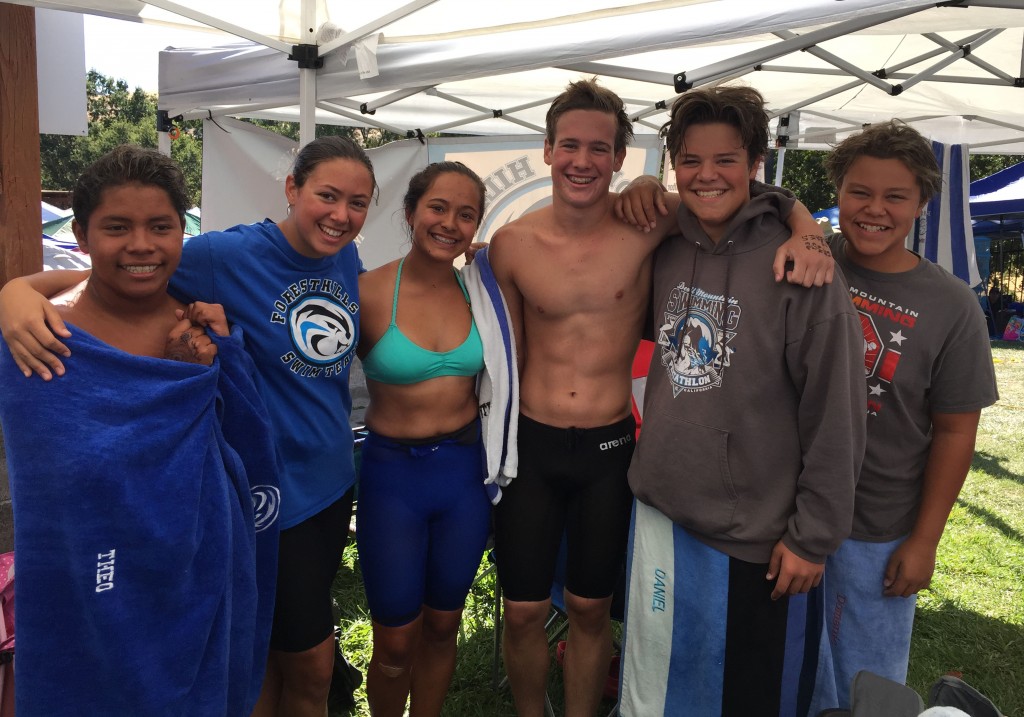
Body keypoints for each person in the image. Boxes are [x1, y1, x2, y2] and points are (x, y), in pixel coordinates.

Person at [486, 77, 838, 717]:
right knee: (523, 610)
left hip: (610, 446)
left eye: (600, 148)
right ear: (546, 150)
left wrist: (807, 227)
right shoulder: (512, 244)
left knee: (593, 608)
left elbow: (752, 193)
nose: (583, 161)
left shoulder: (650, 224)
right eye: (569, 145)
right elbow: (501, 360)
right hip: (531, 445)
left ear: (622, 158)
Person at [0, 136, 376, 717]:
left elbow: (229, 430)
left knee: (254, 660)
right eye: (117, 227)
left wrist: (211, 361)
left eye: (358, 202)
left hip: (299, 497)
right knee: (296, 662)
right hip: (102, 570)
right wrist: (16, 290)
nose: (142, 244)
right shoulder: (47, 341)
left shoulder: (216, 330)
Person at [616, 85, 865, 717]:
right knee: (666, 690)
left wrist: (813, 537)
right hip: (664, 515)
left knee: (755, 698)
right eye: (690, 161)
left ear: (754, 162)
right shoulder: (665, 243)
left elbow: (836, 412)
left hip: (759, 536)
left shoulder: (800, 265)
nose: (706, 176)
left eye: (725, 159)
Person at [808, 121, 998, 712]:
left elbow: (955, 430)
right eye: (860, 191)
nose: (875, 210)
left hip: (877, 525)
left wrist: (925, 540)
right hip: (786, 509)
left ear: (922, 202)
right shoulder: (806, 259)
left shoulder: (952, 304)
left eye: (896, 196)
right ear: (837, 190)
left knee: (868, 683)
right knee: (792, 672)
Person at [354, 161, 500, 716]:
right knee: (394, 640)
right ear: (411, 212)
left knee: (443, 626)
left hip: (462, 473)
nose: (450, 223)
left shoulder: (482, 292)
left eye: (466, 215)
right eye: (437, 208)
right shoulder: (367, 293)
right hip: (393, 477)